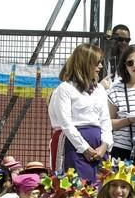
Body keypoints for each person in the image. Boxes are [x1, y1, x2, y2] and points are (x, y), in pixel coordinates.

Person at [48, 43, 112, 181]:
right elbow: (66, 123)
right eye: (97, 63)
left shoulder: (99, 89)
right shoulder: (65, 88)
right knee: (77, 188)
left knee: (100, 188)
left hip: (99, 145)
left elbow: (105, 119)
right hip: (74, 145)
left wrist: (104, 145)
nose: (100, 67)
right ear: (85, 63)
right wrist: (84, 148)